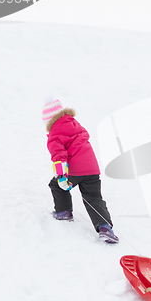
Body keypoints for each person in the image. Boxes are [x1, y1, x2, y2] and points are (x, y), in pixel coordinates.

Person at [43, 99, 119, 243]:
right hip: (92, 169)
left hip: (75, 170)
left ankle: (63, 211)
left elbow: (59, 157)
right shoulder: (77, 126)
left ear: (49, 122)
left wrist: (61, 176)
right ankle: (105, 228)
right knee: (93, 198)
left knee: (56, 185)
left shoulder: (54, 135)